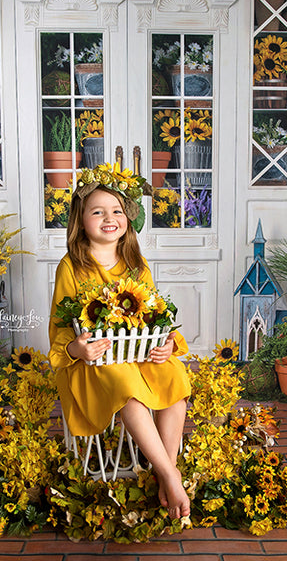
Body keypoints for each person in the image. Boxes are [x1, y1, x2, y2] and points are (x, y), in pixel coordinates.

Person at [48, 163, 192, 520]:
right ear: (81, 222)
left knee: (175, 376)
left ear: (128, 218)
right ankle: (172, 478)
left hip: (138, 353)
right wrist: (75, 349)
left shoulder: (135, 263)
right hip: (94, 364)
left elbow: (158, 315)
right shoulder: (72, 266)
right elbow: (59, 328)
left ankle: (165, 472)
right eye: (97, 212)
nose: (108, 218)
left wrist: (169, 343)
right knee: (125, 384)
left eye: (116, 211)